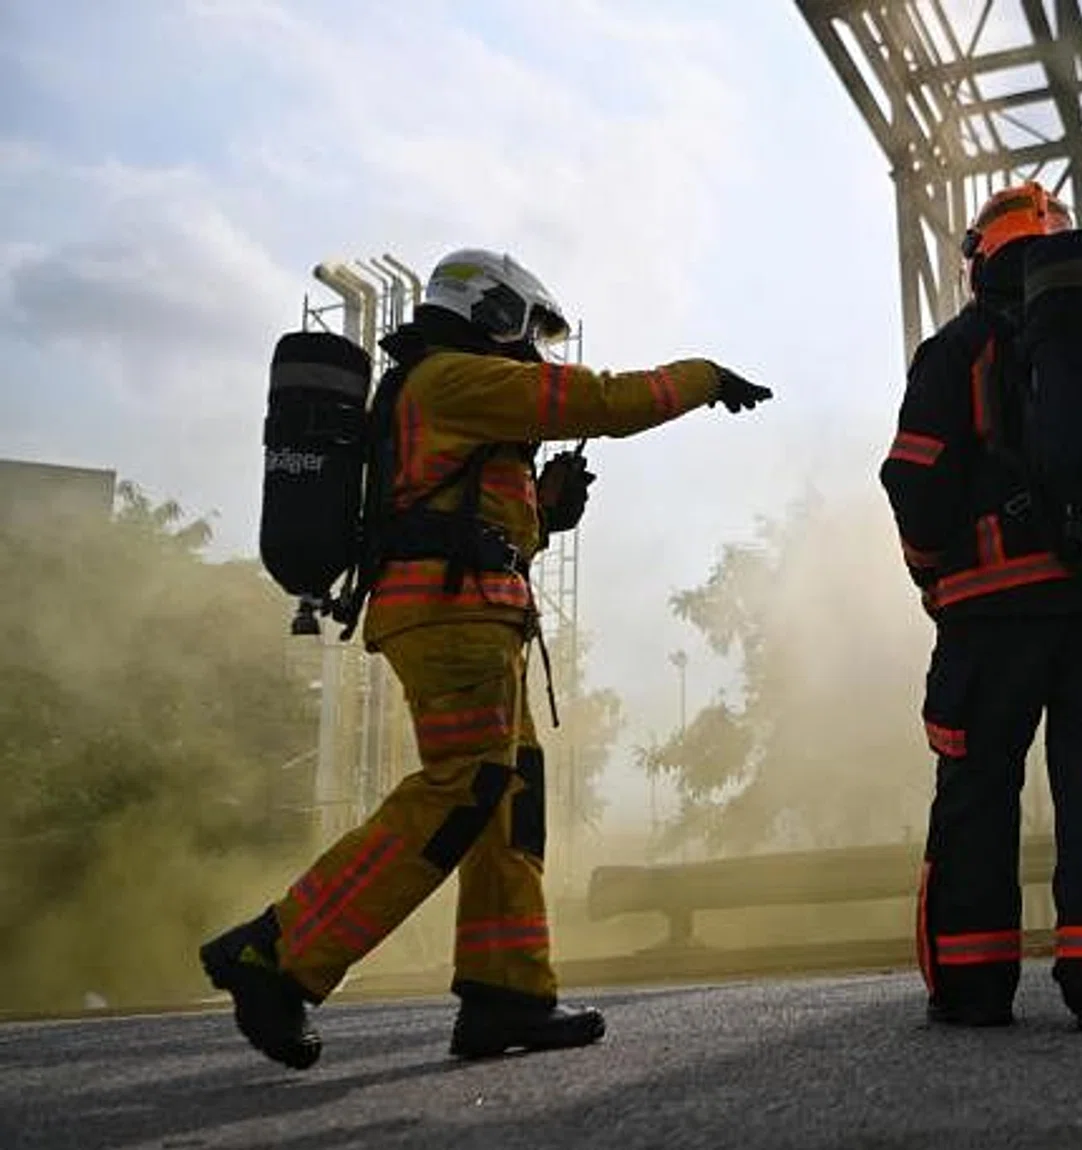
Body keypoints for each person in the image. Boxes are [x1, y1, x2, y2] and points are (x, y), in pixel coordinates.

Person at [201, 248, 773, 1068]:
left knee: (510, 799)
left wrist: (542, 513)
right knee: (460, 788)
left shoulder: (440, 391)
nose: (533, 348)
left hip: (465, 610)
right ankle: (277, 954)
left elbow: (451, 513)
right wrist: (703, 376)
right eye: (527, 329)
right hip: (452, 616)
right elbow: (603, 400)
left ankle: (508, 993)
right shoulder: (454, 378)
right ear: (491, 312)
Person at [879, 183, 1082, 1031]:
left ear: (982, 257)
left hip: (990, 614)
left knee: (978, 791)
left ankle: (973, 991)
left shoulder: (957, 349)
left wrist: (933, 574)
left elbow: (913, 475)